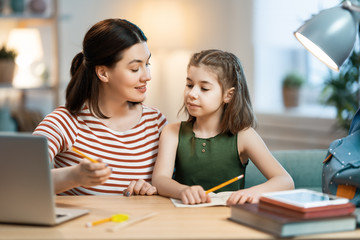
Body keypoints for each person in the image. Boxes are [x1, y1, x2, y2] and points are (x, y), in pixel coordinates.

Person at [33, 19, 167, 196]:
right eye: (135, 68)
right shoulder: (64, 122)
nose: (147, 76)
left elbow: (174, 183)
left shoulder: (155, 123)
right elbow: (20, 178)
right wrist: (74, 176)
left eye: (147, 64)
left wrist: (153, 190)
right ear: (103, 73)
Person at [152, 49, 294, 205]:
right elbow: (159, 180)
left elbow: (285, 181)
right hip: (182, 219)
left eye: (204, 88)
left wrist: (253, 192)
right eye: (189, 85)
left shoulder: (244, 136)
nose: (192, 94)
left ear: (229, 95)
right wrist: (182, 191)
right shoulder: (172, 132)